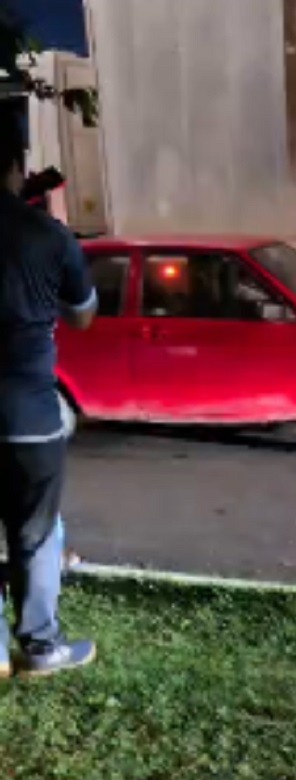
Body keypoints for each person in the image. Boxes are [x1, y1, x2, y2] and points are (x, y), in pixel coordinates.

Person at [0, 115, 96, 675]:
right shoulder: (49, 237)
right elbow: (82, 316)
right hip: (31, 417)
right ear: (17, 167)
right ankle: (40, 646)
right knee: (37, 532)